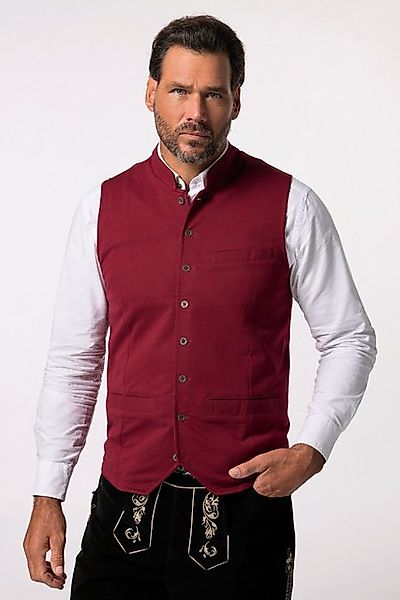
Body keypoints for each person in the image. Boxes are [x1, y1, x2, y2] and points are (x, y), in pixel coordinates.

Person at [22, 14, 377, 600]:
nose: (195, 111)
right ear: (150, 93)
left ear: (236, 100)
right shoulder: (101, 209)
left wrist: (312, 449)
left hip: (244, 510)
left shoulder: (291, 205)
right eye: (180, 90)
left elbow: (349, 338)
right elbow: (74, 362)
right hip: (124, 510)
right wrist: (47, 493)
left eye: (213, 93)